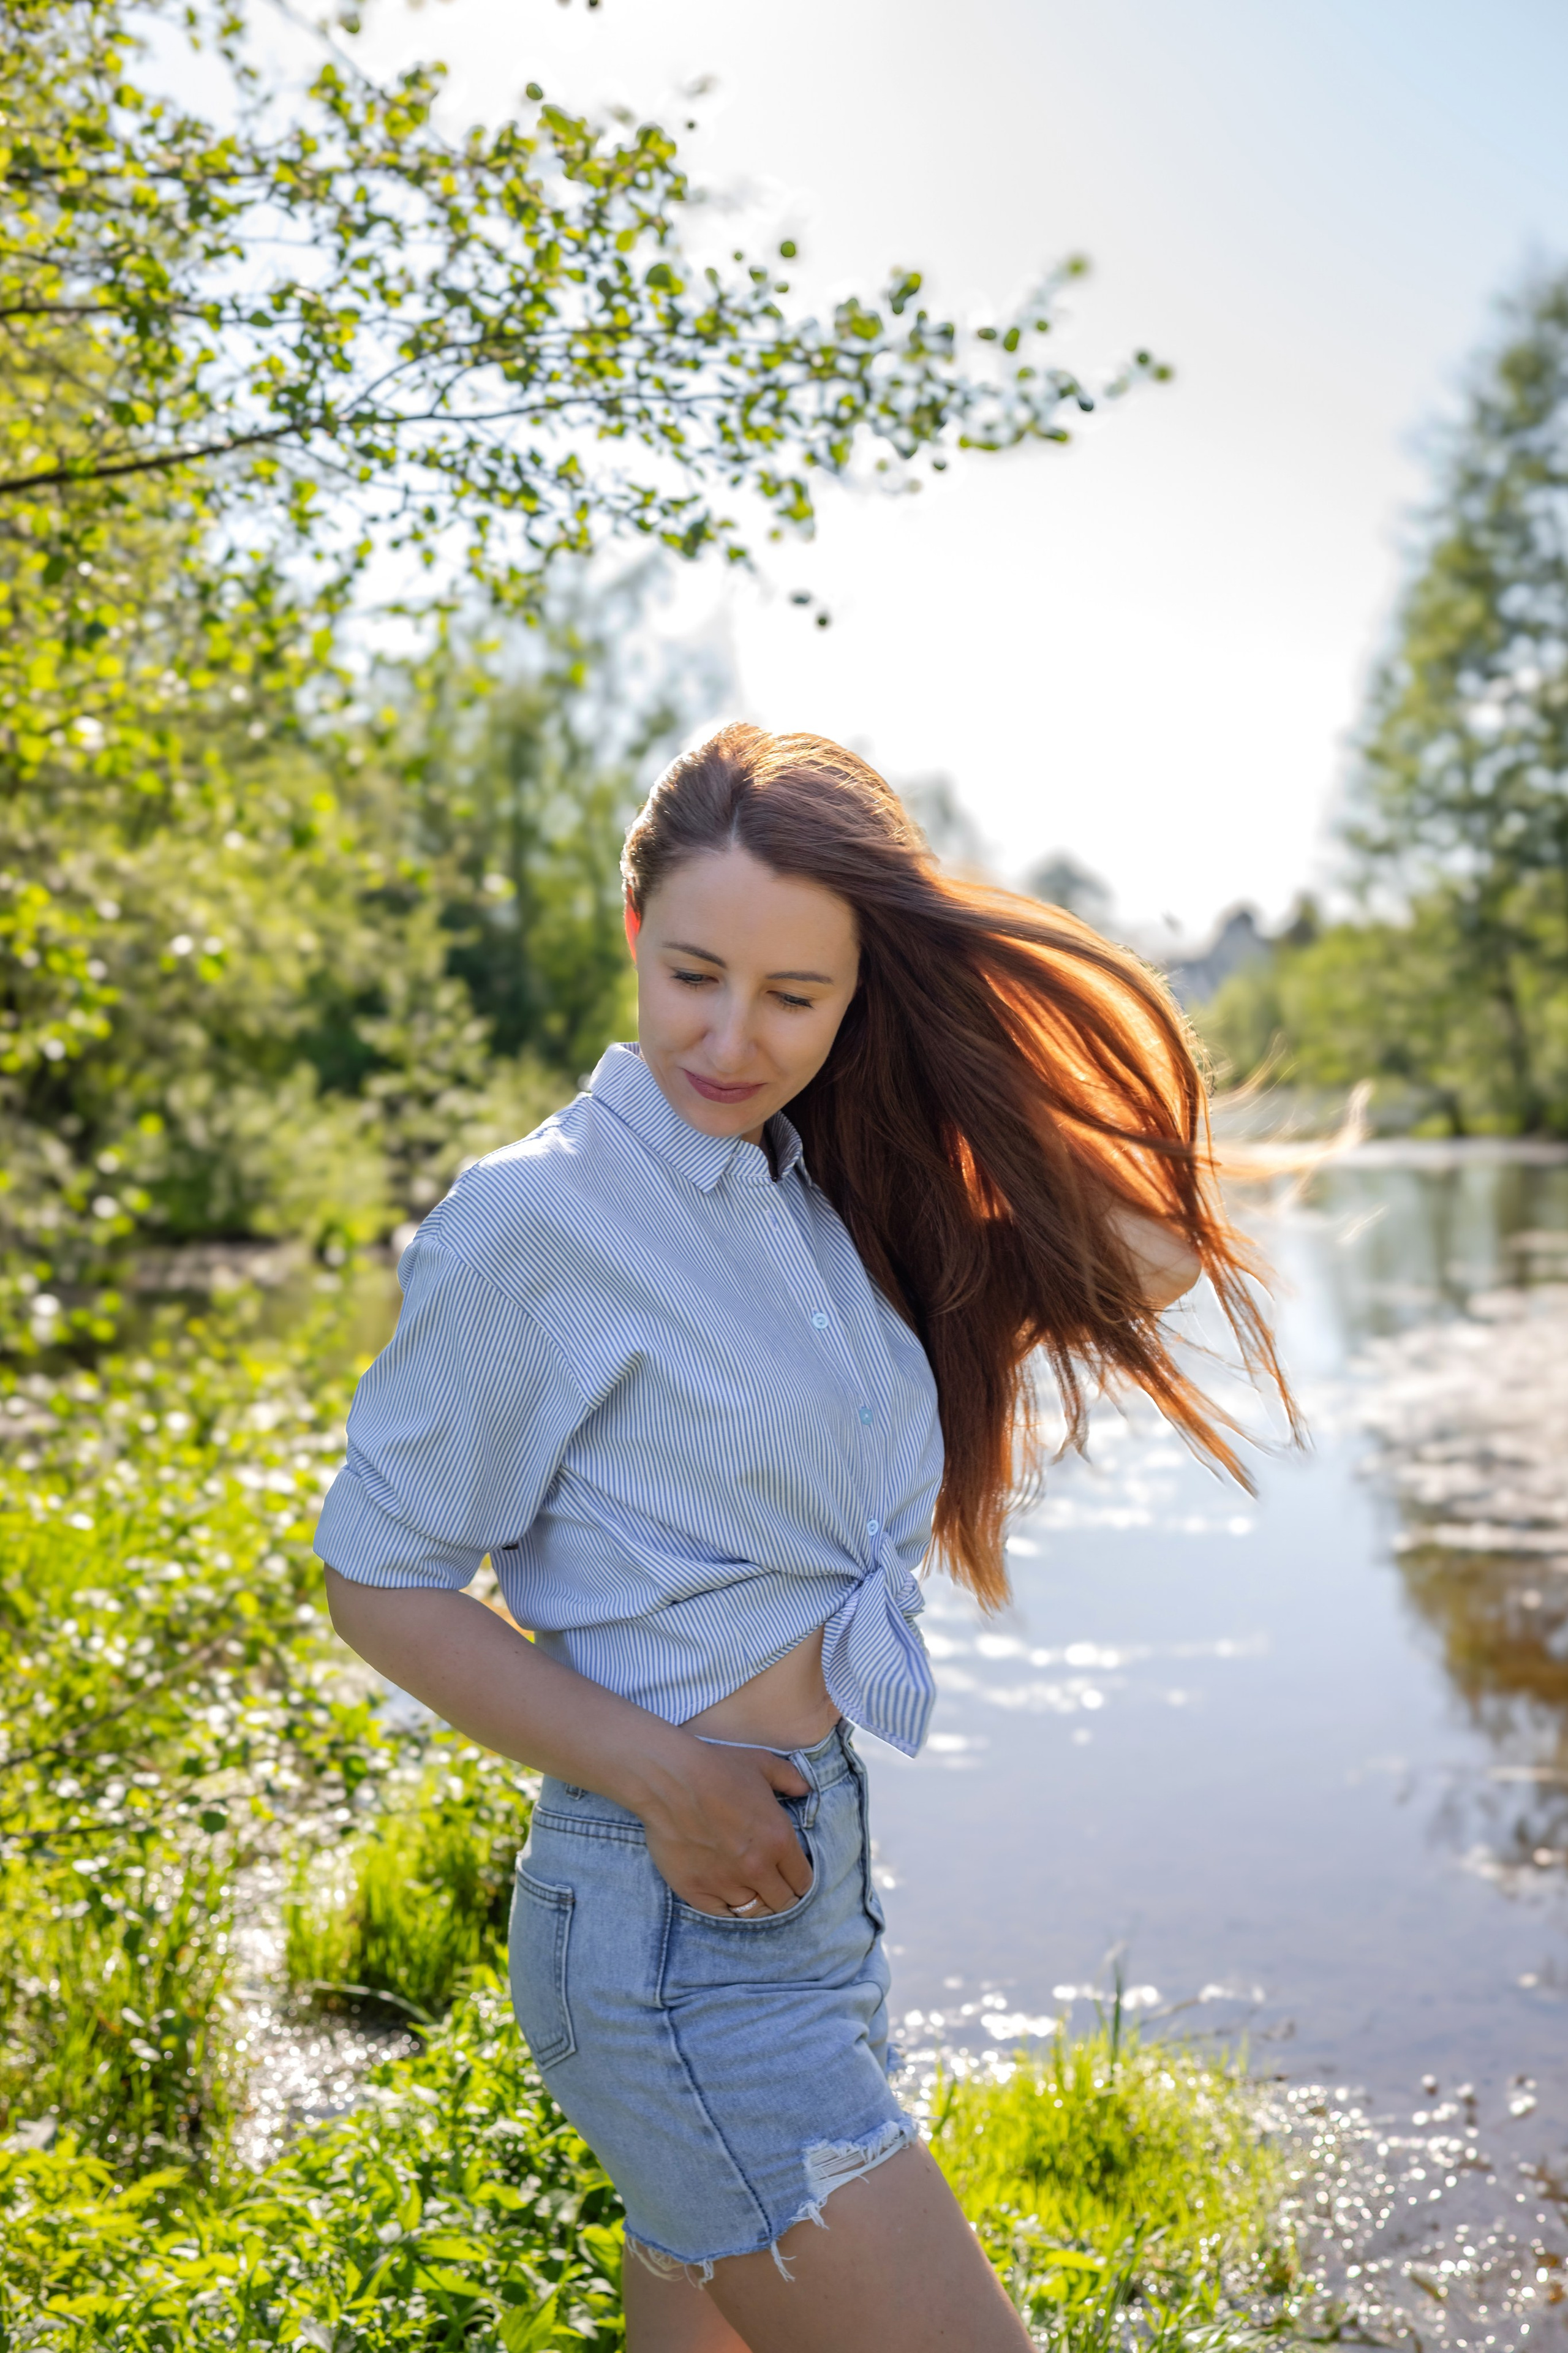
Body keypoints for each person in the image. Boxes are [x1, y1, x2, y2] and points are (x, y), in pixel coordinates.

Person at [317, 723, 1289, 2353]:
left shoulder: (821, 1203)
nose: (731, 1036)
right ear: (633, 932)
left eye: (798, 994)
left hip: (806, 1881)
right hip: (672, 1917)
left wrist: (935, 1016)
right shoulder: (536, 1219)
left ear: (857, 996)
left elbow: (1152, 1249)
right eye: (696, 972)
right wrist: (663, 1773)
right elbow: (380, 1575)